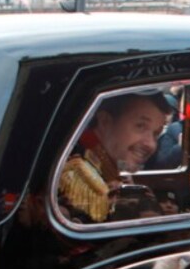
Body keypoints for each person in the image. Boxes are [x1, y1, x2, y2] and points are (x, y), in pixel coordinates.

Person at [58, 91, 172, 223]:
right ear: (105, 122)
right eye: (140, 126)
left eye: (156, 133)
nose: (151, 144)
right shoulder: (77, 172)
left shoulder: (101, 162)